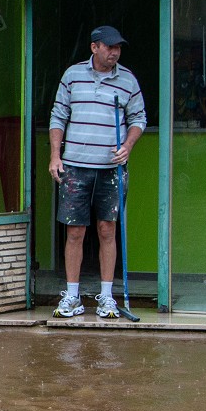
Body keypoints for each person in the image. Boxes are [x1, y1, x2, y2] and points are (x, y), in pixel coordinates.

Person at [47, 25, 146, 319]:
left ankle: (106, 296)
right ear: (95, 47)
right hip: (75, 165)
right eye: (109, 47)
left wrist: (128, 145)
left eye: (118, 48)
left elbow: (138, 117)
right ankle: (73, 296)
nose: (115, 52)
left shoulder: (127, 80)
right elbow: (58, 115)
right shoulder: (72, 75)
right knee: (75, 231)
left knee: (107, 229)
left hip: (111, 168)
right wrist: (55, 155)